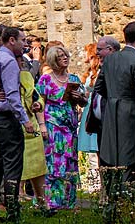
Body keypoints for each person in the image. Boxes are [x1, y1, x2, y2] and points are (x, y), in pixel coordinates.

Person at [0, 27, 35, 224]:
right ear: (11, 40)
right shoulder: (9, 61)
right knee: (12, 167)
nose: (25, 44)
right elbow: (13, 96)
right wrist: (26, 120)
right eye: (23, 40)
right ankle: (13, 213)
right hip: (5, 118)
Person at [94, 21, 135, 199]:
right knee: (131, 158)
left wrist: (113, 98)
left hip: (111, 113)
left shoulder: (110, 59)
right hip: (131, 113)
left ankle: (112, 201)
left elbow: (99, 88)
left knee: (112, 158)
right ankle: (128, 202)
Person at [36, 46, 85, 211]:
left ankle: (68, 201)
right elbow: (39, 103)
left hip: (70, 127)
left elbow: (84, 103)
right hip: (53, 126)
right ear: (53, 60)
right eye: (60, 56)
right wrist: (42, 124)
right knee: (54, 162)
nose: (65, 58)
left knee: (70, 162)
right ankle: (51, 201)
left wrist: (79, 98)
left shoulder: (73, 79)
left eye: (66, 55)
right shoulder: (45, 79)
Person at [18, 54, 47, 208]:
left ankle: (42, 202)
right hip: (15, 128)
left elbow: (36, 96)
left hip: (31, 129)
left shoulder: (26, 76)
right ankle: (16, 198)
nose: (21, 63)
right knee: (18, 166)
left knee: (38, 167)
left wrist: (38, 104)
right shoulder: (0, 75)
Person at [77, 43, 100, 193]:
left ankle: (98, 181)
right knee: (91, 150)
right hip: (88, 108)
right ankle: (92, 181)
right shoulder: (89, 73)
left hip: (96, 108)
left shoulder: (100, 72)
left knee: (97, 146)